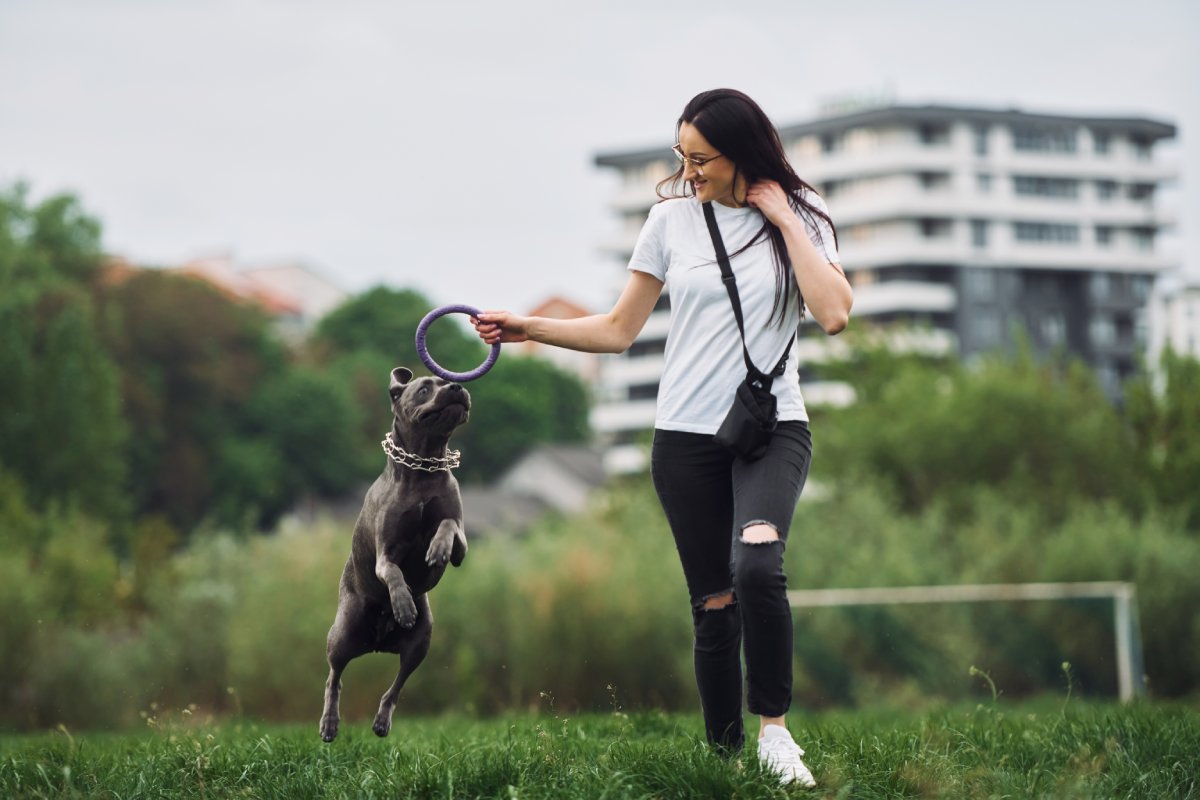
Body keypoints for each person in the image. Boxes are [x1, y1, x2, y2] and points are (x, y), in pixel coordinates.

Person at [473, 88, 852, 788]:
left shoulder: (805, 218)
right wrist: (530, 327)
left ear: (742, 153)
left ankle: (774, 733)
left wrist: (782, 220)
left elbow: (832, 313)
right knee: (713, 602)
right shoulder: (669, 222)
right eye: (681, 156)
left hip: (773, 428)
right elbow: (618, 331)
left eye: (701, 158)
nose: (688, 170)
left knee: (758, 568)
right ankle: (725, 761)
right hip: (684, 437)